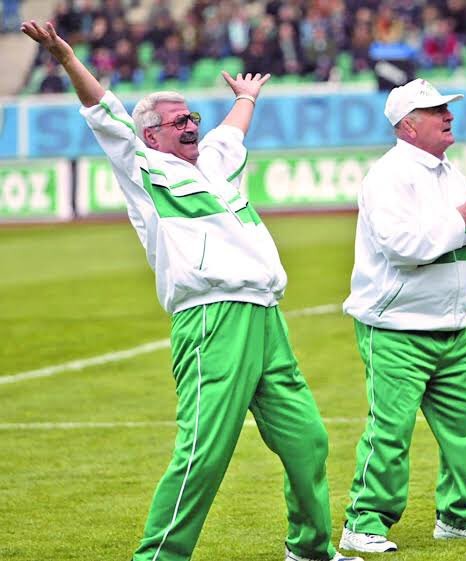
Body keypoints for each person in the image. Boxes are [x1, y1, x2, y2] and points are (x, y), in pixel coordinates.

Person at [21, 19, 364, 561]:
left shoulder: (215, 164)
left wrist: (246, 98)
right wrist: (64, 56)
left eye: (192, 117)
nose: (191, 125)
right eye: (179, 120)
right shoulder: (143, 168)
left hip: (265, 316)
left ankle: (309, 549)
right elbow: (103, 109)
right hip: (212, 318)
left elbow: (231, 132)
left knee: (308, 440)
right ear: (150, 135)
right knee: (204, 451)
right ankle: (158, 557)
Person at [338, 78, 466, 554]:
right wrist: (464, 219)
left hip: (451, 324)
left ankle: (459, 516)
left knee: (465, 427)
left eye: (446, 108)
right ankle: (362, 523)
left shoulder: (451, 174)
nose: (448, 115)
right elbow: (402, 247)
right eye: (436, 111)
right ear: (408, 126)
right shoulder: (387, 176)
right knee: (390, 432)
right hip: (396, 327)